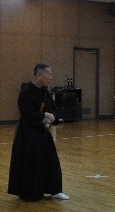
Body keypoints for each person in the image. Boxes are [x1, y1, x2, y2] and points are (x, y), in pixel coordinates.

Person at [7, 64, 69, 201]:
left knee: (51, 160)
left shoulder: (45, 92)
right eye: (49, 75)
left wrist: (52, 118)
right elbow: (27, 113)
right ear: (39, 75)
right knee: (31, 162)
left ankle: (55, 190)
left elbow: (55, 109)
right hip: (28, 134)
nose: (50, 78)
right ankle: (31, 193)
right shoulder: (26, 92)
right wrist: (44, 115)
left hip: (42, 133)